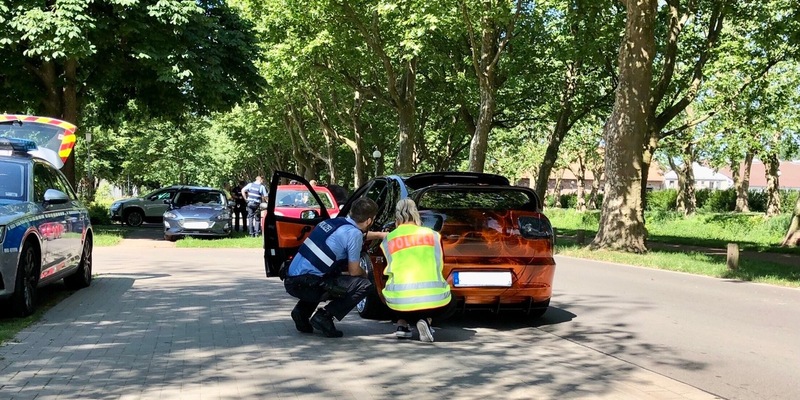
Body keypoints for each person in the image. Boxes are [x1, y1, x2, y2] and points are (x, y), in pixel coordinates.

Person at [283, 197, 387, 338]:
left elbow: (353, 235)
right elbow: (354, 270)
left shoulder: (332, 222)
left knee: (322, 274)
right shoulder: (354, 234)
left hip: (292, 280)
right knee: (364, 285)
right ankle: (324, 317)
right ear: (369, 220)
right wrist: (366, 274)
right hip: (307, 286)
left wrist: (381, 235)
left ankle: (301, 312)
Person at [380, 198, 453, 342]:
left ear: (397, 215)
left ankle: (402, 325)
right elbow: (439, 263)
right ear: (416, 213)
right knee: (451, 302)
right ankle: (426, 320)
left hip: (398, 302)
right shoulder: (432, 235)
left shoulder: (389, 239)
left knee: (391, 291)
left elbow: (389, 268)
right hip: (432, 299)